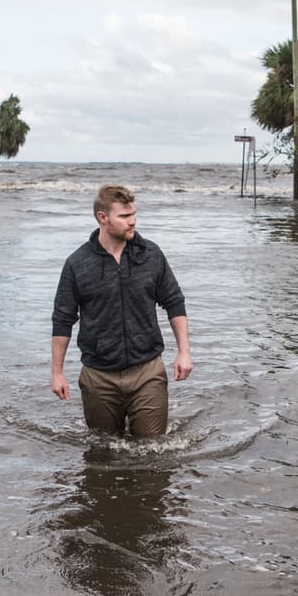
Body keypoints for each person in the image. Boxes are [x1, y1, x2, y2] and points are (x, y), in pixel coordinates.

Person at [50, 184, 192, 437]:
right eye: (125, 216)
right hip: (98, 376)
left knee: (153, 450)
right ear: (102, 218)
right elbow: (63, 320)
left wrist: (184, 352)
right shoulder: (77, 264)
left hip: (147, 370)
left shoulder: (151, 255)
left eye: (134, 214)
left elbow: (174, 302)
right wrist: (57, 372)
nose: (133, 222)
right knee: (103, 452)